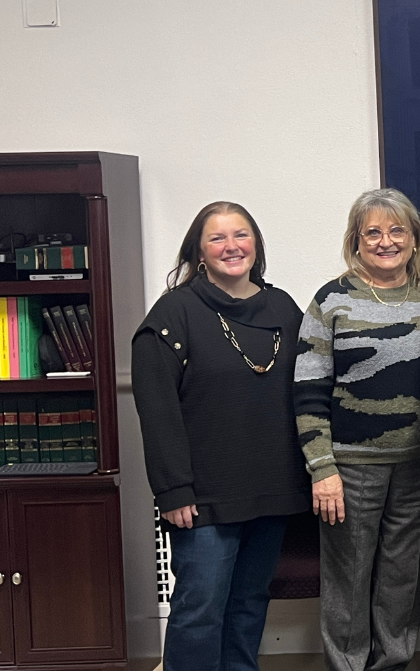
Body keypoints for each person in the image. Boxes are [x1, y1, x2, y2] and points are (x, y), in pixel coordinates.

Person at [133, 202, 310, 671]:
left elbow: (308, 392)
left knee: (250, 603)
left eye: (241, 235)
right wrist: (172, 490)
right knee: (200, 609)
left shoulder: (284, 308)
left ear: (256, 244)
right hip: (203, 496)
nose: (232, 247)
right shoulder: (174, 313)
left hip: (273, 489)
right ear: (199, 251)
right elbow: (156, 409)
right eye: (217, 238)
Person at [294, 188, 420, 671]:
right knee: (349, 578)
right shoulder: (331, 299)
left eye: (397, 230)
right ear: (355, 241)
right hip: (350, 467)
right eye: (372, 232)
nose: (386, 241)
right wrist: (322, 468)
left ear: (415, 238)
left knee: (402, 577)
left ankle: (392, 664)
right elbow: (308, 390)